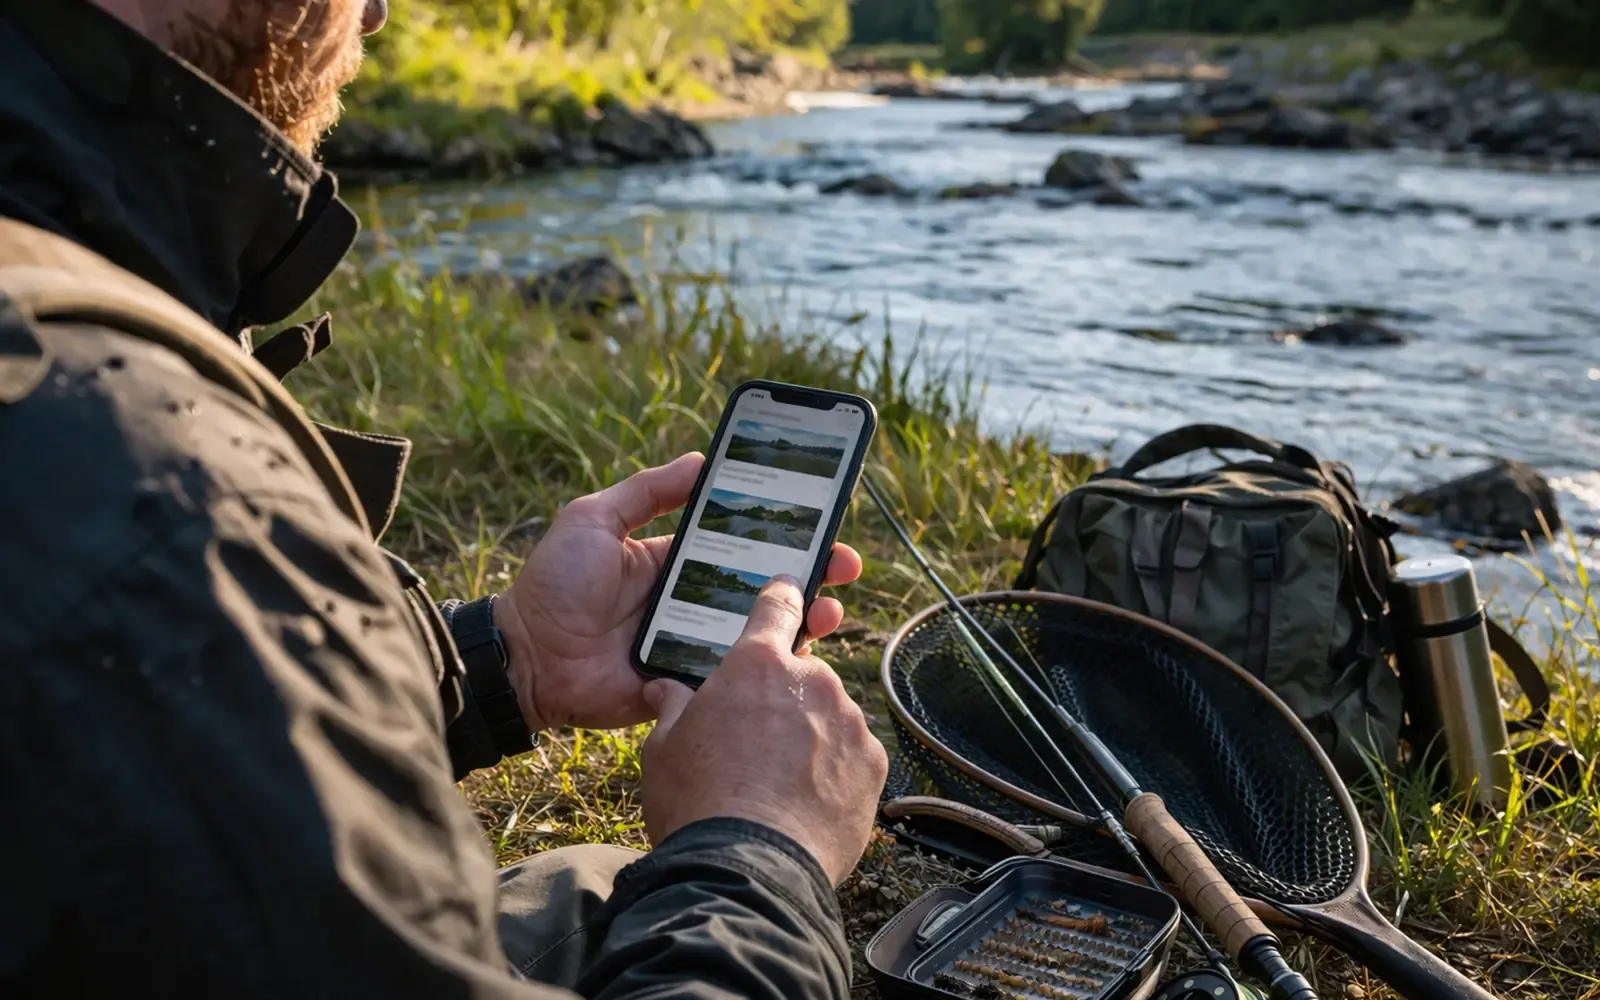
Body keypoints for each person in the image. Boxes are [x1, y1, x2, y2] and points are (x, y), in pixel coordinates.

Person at [0, 0, 889, 996]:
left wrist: (504, 658)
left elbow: (131, 711)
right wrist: (760, 849)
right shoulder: (160, 491)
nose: (373, 11)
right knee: (660, 897)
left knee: (596, 893)